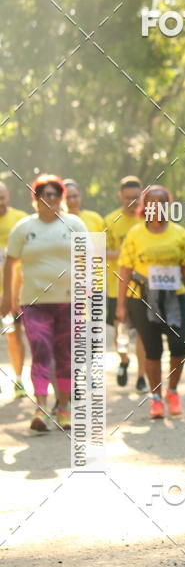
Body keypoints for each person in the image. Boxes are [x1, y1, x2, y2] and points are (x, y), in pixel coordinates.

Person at [1, 175, 86, 432]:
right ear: (34, 199)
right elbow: (11, 264)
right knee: (40, 351)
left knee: (64, 356)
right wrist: (8, 297)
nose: (49, 199)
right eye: (43, 195)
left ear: (61, 198)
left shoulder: (74, 224)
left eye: (54, 194)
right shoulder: (23, 228)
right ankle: (40, 408)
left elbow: (87, 259)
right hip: (34, 302)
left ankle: (64, 408)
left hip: (68, 301)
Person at [116, 185, 185, 419]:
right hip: (142, 298)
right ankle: (155, 398)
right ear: (145, 206)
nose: (157, 207)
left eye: (162, 203)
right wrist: (121, 305)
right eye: (152, 203)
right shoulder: (135, 234)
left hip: (175, 298)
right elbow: (125, 269)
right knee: (152, 349)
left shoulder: (179, 234)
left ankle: (172, 391)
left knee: (178, 346)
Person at [105, 176, 147, 391]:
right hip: (116, 287)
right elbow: (99, 250)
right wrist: (124, 254)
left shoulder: (148, 219)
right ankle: (124, 360)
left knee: (141, 331)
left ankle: (141, 376)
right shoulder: (110, 220)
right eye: (128, 198)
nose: (132, 202)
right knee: (120, 330)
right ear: (120, 196)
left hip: (142, 289)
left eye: (136, 198)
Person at [0, 182, 27, 398]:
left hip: (13, 288)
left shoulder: (20, 219)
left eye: (1, 197)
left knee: (13, 335)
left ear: (8, 197)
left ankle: (18, 379)